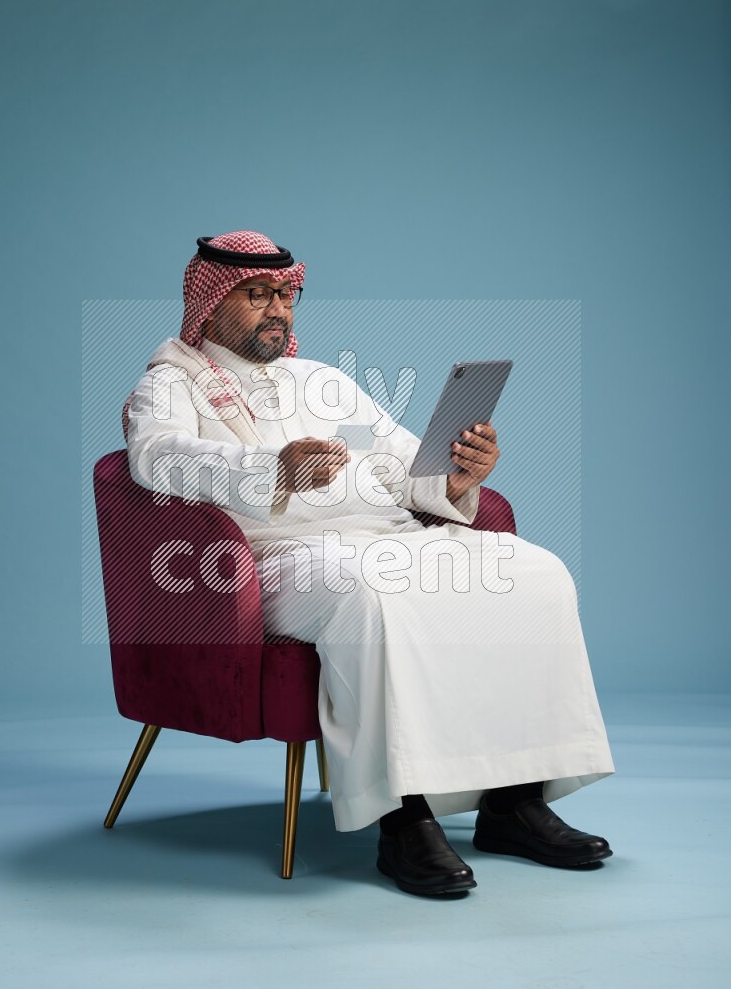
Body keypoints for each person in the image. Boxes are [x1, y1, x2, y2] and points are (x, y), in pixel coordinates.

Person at [122, 230, 615, 898]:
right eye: (257, 294)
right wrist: (274, 470)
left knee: (535, 575)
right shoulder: (170, 383)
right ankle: (402, 818)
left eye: (286, 295)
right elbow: (157, 459)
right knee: (372, 595)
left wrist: (457, 474)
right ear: (208, 305)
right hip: (272, 558)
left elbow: (404, 463)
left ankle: (514, 801)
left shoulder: (321, 380)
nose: (278, 310)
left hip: (387, 535)